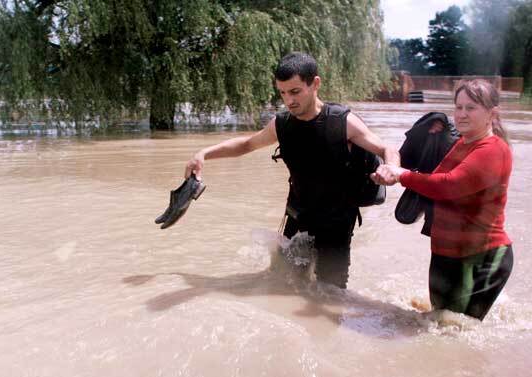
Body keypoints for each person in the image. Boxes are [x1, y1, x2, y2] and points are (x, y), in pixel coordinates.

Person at [185, 52, 400, 288]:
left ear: (315, 84)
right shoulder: (282, 124)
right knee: (282, 283)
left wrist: (391, 168)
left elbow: (386, 148)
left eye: (295, 91)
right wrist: (204, 153)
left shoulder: (342, 122)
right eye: (283, 93)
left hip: (336, 224)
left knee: (331, 295)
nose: (289, 100)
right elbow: (247, 144)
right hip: (297, 217)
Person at [373, 79, 513, 320]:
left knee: (456, 331)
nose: (462, 114)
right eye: (458, 107)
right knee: (436, 323)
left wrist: (402, 176)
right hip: (444, 254)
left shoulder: (494, 150)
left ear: (492, 113)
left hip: (479, 258)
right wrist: (434, 138)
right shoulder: (461, 143)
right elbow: (434, 177)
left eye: (471, 108)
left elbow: (448, 186)